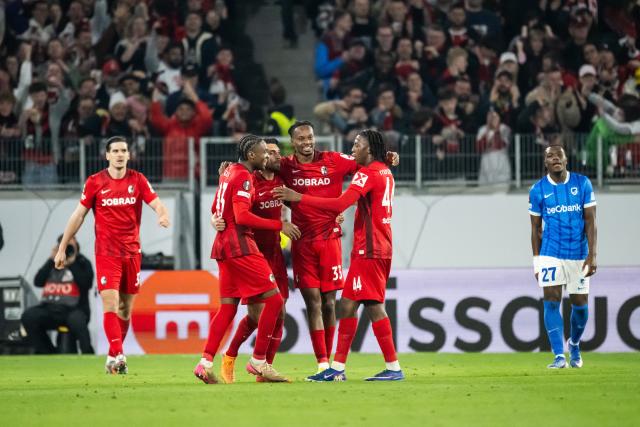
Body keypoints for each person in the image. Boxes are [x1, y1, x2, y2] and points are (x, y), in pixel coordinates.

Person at [274, 129, 403, 381]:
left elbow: (338, 204)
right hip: (379, 246)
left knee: (358, 305)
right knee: (355, 304)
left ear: (368, 149)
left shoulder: (366, 174)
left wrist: (298, 197)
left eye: (357, 144)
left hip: (369, 248)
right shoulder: (384, 171)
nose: (352, 148)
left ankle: (381, 368)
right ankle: (344, 368)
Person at [54, 136, 170, 374]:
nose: (119, 154)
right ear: (107, 155)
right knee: (110, 302)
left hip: (132, 253)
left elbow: (157, 203)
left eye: (123, 150)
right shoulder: (95, 182)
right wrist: (62, 247)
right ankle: (119, 356)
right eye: (115, 150)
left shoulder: (138, 180)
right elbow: (78, 216)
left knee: (125, 309)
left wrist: (162, 214)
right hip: (107, 253)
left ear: (129, 155)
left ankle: (111, 356)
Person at [193, 135, 301, 385]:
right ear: (252, 155)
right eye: (264, 152)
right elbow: (242, 216)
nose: (268, 157)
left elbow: (216, 208)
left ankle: (205, 363)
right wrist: (279, 225)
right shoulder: (242, 176)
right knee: (274, 300)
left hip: (222, 247)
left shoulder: (229, 171)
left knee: (228, 308)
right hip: (241, 245)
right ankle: (259, 361)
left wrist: (217, 219)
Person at [528, 145, 597, 369]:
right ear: (545, 163)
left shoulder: (582, 183)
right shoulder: (537, 190)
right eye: (550, 155)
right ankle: (559, 356)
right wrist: (537, 261)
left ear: (566, 159)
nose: (555, 158)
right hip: (550, 252)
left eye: (559, 154)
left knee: (581, 307)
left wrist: (592, 256)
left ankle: (574, 343)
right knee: (551, 302)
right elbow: (535, 229)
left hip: (578, 253)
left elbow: (591, 222)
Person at [22, 235, 94, 354]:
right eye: (64, 244)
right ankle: (47, 352)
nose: (67, 248)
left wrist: (72, 263)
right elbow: (38, 281)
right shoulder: (54, 261)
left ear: (77, 246)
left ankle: (88, 354)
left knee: (78, 321)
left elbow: (86, 284)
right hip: (49, 309)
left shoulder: (82, 262)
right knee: (29, 316)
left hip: (73, 310)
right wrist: (51, 259)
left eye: (70, 244)